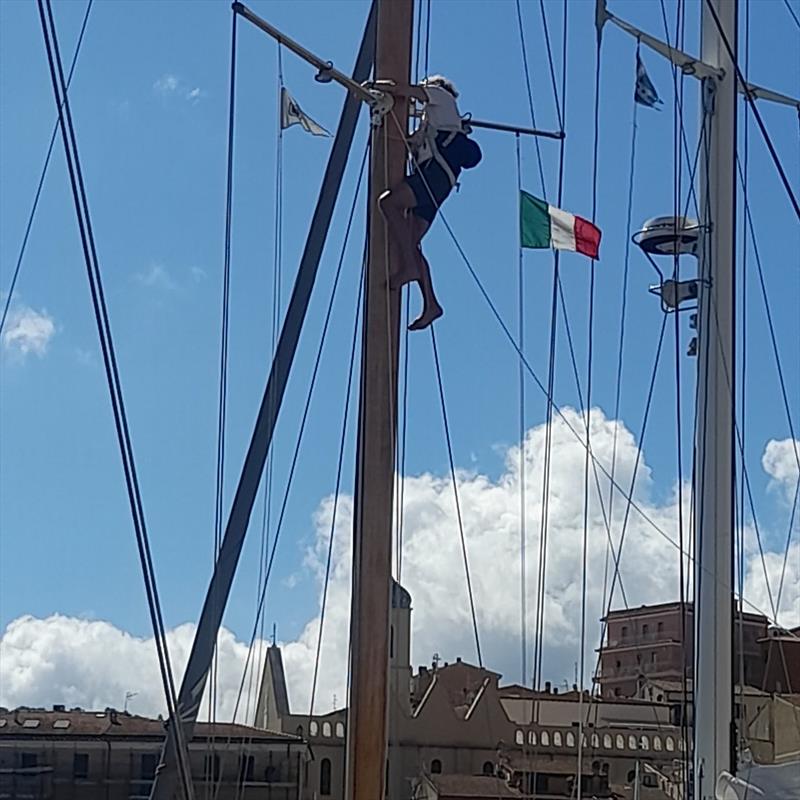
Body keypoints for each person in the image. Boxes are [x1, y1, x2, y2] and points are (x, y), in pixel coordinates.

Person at [378, 75, 481, 330]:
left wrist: (378, 87)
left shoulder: (440, 97)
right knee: (410, 241)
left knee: (389, 203)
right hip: (437, 183)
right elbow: (407, 141)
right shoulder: (434, 122)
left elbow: (406, 89)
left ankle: (410, 268)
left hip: (434, 176)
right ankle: (431, 304)